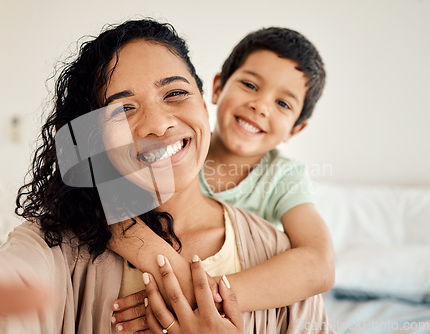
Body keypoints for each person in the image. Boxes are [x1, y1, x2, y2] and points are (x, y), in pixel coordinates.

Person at [0, 18, 331, 333]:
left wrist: (209, 298)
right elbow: (1, 283)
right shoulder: (57, 248)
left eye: (174, 93)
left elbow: (319, 264)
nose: (158, 124)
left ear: (201, 104)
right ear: (92, 138)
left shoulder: (281, 259)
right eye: (122, 109)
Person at [110, 25, 334, 331]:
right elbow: (108, 210)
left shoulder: (284, 176)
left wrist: (205, 295)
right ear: (217, 88)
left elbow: (319, 265)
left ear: (295, 129)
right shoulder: (177, 150)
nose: (260, 105)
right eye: (250, 85)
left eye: (283, 103)